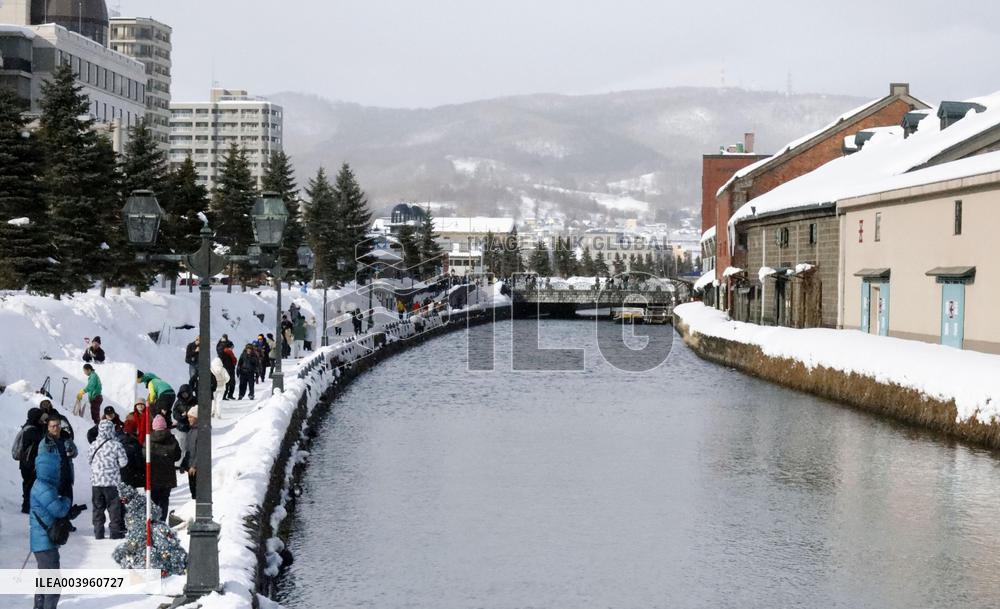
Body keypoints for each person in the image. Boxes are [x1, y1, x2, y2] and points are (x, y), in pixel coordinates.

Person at [30, 438, 83, 609]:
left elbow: (52, 510)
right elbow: (58, 510)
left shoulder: (43, 485)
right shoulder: (43, 486)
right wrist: (67, 499)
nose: (60, 471)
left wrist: (68, 510)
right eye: (58, 468)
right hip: (44, 542)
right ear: (51, 468)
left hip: (43, 541)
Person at [87, 419, 128, 539]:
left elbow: (89, 460)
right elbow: (124, 462)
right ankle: (115, 532)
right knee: (114, 508)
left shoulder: (94, 444)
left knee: (98, 508)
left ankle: (98, 532)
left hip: (97, 482)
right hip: (112, 482)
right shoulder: (117, 445)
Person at [13, 407, 45, 513]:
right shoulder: (31, 430)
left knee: (28, 483)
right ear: (35, 418)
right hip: (29, 463)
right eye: (40, 418)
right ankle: (27, 506)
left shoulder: (28, 427)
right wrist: (45, 426)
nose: (42, 420)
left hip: (25, 462)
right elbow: (42, 439)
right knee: (30, 484)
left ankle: (27, 504)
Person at [149, 415, 180, 521]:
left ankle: (153, 521)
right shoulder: (171, 439)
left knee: (153, 500)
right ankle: (162, 521)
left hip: (153, 476)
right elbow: (177, 456)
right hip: (168, 476)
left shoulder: (149, 439)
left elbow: (144, 456)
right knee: (164, 499)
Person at [44, 414, 77, 505]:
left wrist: (71, 451)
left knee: (67, 506)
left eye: (58, 425)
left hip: (67, 477)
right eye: (53, 426)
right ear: (48, 428)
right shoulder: (45, 443)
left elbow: (75, 452)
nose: (56, 428)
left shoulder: (66, 437)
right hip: (53, 480)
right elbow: (42, 463)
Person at [171, 385, 196, 467]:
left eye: (186, 393)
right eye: (183, 393)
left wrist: (190, 414)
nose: (184, 395)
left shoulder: (195, 401)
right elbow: (174, 414)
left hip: (192, 427)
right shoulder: (178, 402)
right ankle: (178, 464)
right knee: (181, 446)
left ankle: (189, 463)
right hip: (181, 427)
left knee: (191, 446)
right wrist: (182, 416)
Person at [119, 418, 145, 489]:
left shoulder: (118, 442)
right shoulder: (135, 444)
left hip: (120, 475)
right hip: (133, 476)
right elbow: (139, 462)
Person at [184, 407, 199, 499]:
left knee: (197, 491)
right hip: (191, 467)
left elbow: (201, 451)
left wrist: (194, 465)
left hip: (197, 467)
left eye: (191, 417)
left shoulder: (201, 431)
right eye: (188, 417)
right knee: (192, 491)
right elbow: (188, 449)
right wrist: (184, 464)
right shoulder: (191, 430)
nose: (189, 419)